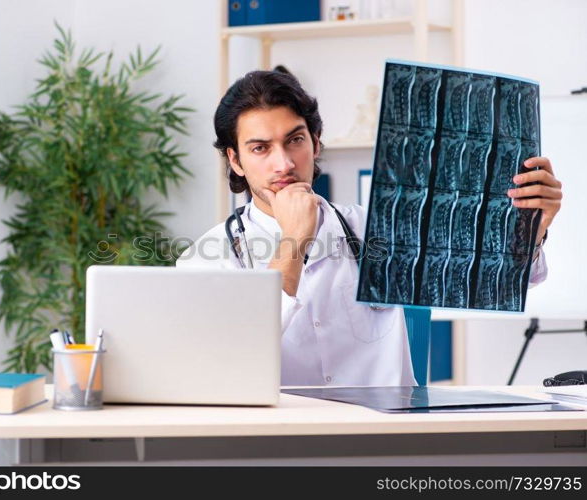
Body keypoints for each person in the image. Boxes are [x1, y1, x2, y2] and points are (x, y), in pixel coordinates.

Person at [176, 70, 562, 387]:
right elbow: (228, 357)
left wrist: (532, 229)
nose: (284, 164)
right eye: (260, 148)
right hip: (280, 445)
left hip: (386, 441)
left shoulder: (380, 225)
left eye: (294, 140)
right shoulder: (206, 259)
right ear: (236, 160)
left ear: (315, 142)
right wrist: (294, 240)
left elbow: (499, 278)